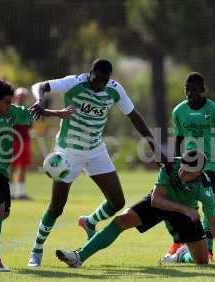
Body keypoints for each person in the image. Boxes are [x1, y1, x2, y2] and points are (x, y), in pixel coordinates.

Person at [27, 58, 166, 267]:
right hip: (68, 152)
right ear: (89, 73)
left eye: (103, 81)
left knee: (117, 202)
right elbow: (39, 86)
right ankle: (36, 250)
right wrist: (39, 100)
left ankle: (89, 221)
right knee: (57, 207)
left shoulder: (114, 89)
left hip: (95, 150)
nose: (98, 84)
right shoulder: (74, 82)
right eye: (95, 79)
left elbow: (134, 116)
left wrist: (153, 144)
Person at [0, 79, 74, 272]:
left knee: (3, 212)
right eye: (6, 102)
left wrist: (58, 114)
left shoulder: (9, 112)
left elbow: (31, 113)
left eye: (10, 102)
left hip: (0, 170)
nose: (9, 106)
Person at [55, 150, 215, 268]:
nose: (182, 172)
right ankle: (78, 257)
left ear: (199, 173)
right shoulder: (170, 166)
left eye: (188, 172)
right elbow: (156, 200)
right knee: (121, 220)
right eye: (182, 168)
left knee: (202, 262)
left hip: (185, 214)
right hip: (162, 203)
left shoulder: (205, 187)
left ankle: (180, 255)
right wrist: (185, 210)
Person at [165, 72, 215, 259]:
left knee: (209, 202)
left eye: (194, 90)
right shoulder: (178, 111)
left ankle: (207, 248)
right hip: (189, 163)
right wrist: (176, 162)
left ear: (202, 90)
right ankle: (179, 242)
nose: (190, 94)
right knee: (182, 203)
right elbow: (179, 138)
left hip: (212, 163)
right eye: (187, 90)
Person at [10, 87, 33, 200]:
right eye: (20, 96)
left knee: (23, 166)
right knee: (11, 166)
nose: (21, 98)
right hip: (12, 140)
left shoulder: (27, 110)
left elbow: (30, 125)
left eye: (23, 96)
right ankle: (9, 192)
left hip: (25, 140)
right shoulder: (10, 109)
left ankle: (21, 193)